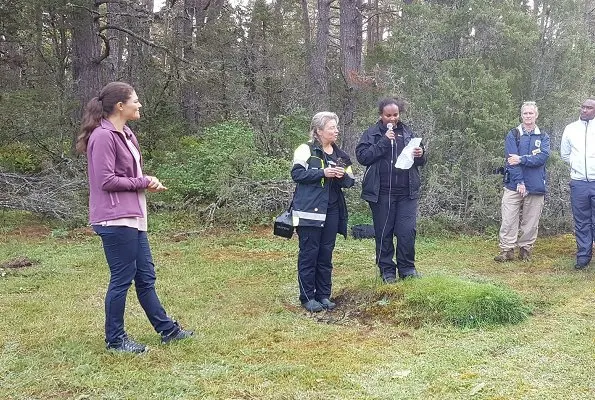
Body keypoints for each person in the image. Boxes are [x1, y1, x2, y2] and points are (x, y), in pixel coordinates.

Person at [76, 82, 193, 353]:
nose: (139, 105)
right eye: (135, 101)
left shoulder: (126, 133)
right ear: (120, 106)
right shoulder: (103, 136)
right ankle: (115, 340)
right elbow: (105, 180)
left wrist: (146, 182)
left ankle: (168, 331)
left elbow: (128, 174)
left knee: (145, 277)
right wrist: (142, 182)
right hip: (115, 219)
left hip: (133, 216)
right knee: (122, 278)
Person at [355, 98, 426, 283]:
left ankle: (407, 268)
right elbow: (363, 157)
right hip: (381, 192)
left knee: (407, 231)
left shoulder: (408, 132)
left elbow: (420, 160)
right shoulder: (371, 134)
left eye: (395, 115)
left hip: (407, 192)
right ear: (381, 115)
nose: (392, 119)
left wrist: (420, 155)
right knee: (384, 231)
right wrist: (384, 141)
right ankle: (386, 270)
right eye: (388, 115)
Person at [291, 112, 355, 312]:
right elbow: (297, 174)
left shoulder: (341, 155)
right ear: (319, 131)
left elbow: (350, 182)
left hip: (332, 211)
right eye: (331, 127)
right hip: (309, 211)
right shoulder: (306, 149)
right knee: (309, 254)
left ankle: (324, 295)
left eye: (336, 127)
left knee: (326, 254)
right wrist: (323, 172)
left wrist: (340, 174)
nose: (336, 130)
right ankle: (308, 297)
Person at [494, 101, 550, 262]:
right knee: (508, 218)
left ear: (536, 115)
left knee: (531, 221)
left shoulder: (543, 136)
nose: (528, 116)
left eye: (531, 113)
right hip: (513, 185)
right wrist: (519, 182)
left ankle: (525, 249)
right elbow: (511, 160)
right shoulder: (513, 134)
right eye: (525, 113)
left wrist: (522, 159)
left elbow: (542, 158)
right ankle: (507, 250)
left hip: (536, 185)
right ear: (521, 115)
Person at [560, 98, 595, 270]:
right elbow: (565, 154)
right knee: (581, 221)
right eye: (583, 107)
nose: (585, 110)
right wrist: (576, 165)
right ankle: (583, 256)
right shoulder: (571, 129)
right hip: (579, 183)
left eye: (589, 107)